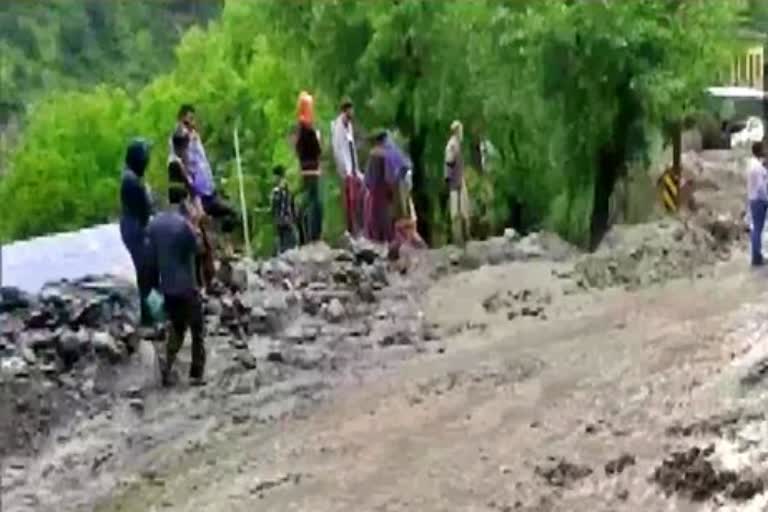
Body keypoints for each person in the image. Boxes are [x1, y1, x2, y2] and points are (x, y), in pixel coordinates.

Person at [146, 185, 206, 387]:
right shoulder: (184, 225)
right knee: (197, 328)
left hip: (167, 288)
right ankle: (196, 373)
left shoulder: (154, 225)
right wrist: (195, 224)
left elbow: (151, 256)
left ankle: (167, 367)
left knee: (177, 329)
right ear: (184, 201)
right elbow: (198, 249)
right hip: (187, 286)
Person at [173, 104, 239, 237]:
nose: (192, 123)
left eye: (193, 119)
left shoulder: (195, 137)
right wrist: (194, 199)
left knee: (232, 214)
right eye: (188, 119)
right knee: (199, 226)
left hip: (209, 191)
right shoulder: (179, 141)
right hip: (197, 196)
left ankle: (224, 244)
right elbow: (184, 170)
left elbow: (202, 163)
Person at [119, 139, 154, 326]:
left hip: (131, 227)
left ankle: (145, 313)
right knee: (144, 272)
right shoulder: (133, 182)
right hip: (135, 230)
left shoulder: (129, 177)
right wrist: (147, 193)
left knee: (143, 271)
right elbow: (145, 210)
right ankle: (146, 317)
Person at [384, 135, 426, 256]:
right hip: (404, 214)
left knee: (409, 230)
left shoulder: (400, 180)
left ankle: (417, 248)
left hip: (404, 215)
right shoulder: (403, 167)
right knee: (409, 229)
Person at [293, 92, 323, 244]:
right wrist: (318, 139)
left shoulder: (300, 130)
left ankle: (308, 232)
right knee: (315, 202)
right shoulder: (308, 130)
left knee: (311, 199)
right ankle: (313, 234)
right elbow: (317, 150)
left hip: (305, 168)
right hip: (312, 168)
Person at [331, 99, 364, 237]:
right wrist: (345, 170)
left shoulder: (349, 126)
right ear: (345, 111)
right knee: (350, 200)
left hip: (353, 168)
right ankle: (351, 230)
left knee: (357, 198)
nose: (353, 112)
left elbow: (352, 148)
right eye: (350, 110)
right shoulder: (338, 127)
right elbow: (338, 149)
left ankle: (357, 228)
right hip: (346, 170)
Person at [364, 130, 394, 243]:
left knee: (373, 215)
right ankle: (386, 238)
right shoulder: (387, 155)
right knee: (385, 215)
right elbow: (390, 175)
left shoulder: (373, 154)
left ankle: (374, 238)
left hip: (374, 190)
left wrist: (368, 185)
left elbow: (368, 175)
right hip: (384, 190)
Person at [444, 120, 471, 246]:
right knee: (456, 211)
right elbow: (449, 162)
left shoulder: (456, 144)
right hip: (456, 182)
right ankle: (459, 239)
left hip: (458, 180)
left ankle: (463, 237)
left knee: (463, 209)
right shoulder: (453, 145)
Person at [748, 141, 768, 267]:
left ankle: (757, 256)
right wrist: (767, 198)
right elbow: (761, 186)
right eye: (763, 149)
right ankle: (756, 257)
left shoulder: (752, 164)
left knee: (756, 228)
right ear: (759, 151)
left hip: (753, 198)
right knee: (758, 229)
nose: (765, 151)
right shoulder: (758, 167)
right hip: (759, 200)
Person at [271, 165, 297, 255]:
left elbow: (277, 206)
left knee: (286, 244)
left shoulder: (279, 190)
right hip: (284, 220)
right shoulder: (286, 189)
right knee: (285, 243)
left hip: (284, 220)